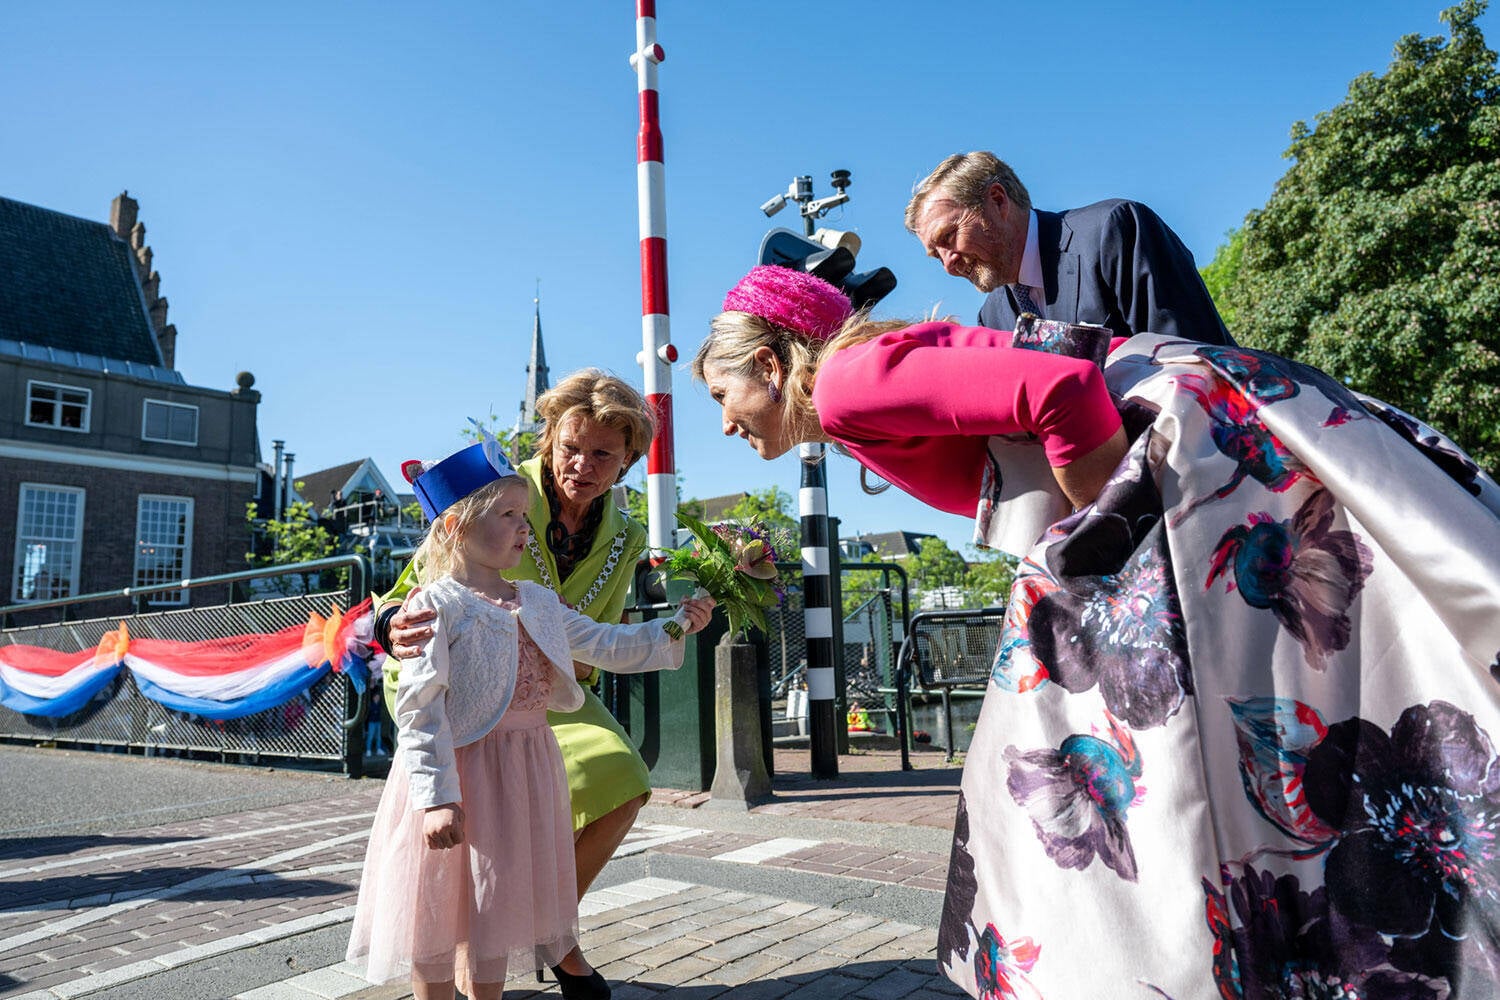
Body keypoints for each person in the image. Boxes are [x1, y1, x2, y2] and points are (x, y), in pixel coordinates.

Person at [694, 263, 1500, 998]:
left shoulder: (843, 385)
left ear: (770, 365)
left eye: (720, 397)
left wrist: (1095, 548)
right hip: (1202, 434)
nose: (725, 425)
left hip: (1189, 450)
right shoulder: (855, 387)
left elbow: (1063, 393)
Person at [346, 440, 713, 1000]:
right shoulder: (435, 606)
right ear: (453, 528)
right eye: (509, 516)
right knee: (439, 914)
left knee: (498, 906)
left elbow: (607, 643)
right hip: (463, 777)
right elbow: (420, 712)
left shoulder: (537, 601)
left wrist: (675, 627)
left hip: (523, 776)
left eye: (525, 514)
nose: (524, 527)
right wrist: (437, 796)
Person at [907, 150, 1234, 345]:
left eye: (948, 238)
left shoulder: (1115, 231)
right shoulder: (992, 317)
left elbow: (1192, 361)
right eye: (936, 255)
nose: (948, 265)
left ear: (997, 201)